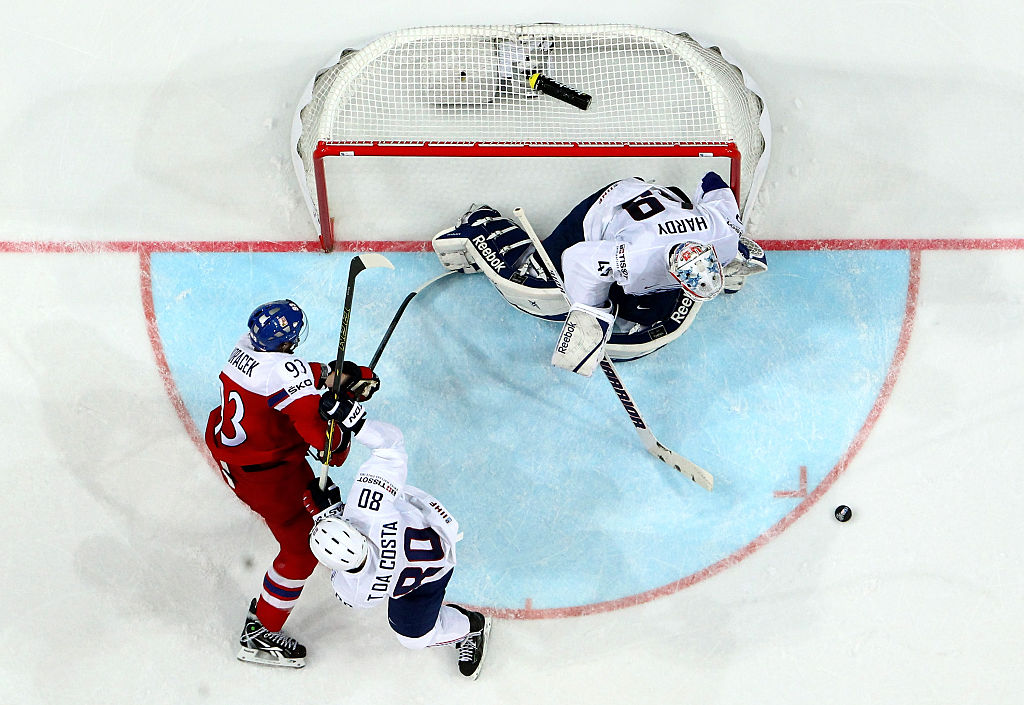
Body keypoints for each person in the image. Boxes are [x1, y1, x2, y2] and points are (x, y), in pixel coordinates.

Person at [432, 173, 768, 374]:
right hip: (603, 214)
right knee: (537, 288)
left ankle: (619, 292)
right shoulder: (635, 255)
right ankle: (481, 224)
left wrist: (734, 232)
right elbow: (578, 260)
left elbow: (712, 182)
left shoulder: (724, 235)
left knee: (653, 308)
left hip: (657, 209)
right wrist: (591, 316)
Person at [204, 299, 380, 668]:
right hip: (267, 476)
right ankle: (260, 634)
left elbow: (288, 374)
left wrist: (334, 375)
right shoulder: (283, 372)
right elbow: (329, 448)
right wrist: (344, 417)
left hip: (238, 458)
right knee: (301, 549)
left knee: (308, 518)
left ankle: (270, 603)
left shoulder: (245, 345)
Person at [306, 399, 491, 680]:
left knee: (413, 639)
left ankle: (472, 625)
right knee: (413, 637)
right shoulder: (368, 507)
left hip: (423, 576)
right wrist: (358, 423)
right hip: (434, 538)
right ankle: (473, 624)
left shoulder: (355, 593)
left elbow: (341, 576)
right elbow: (390, 446)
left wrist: (327, 514)